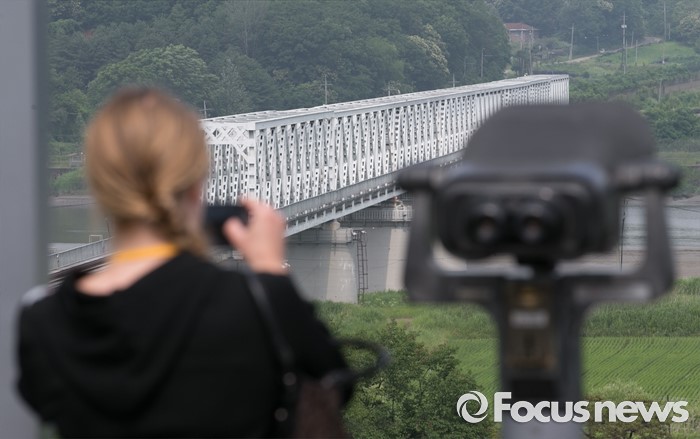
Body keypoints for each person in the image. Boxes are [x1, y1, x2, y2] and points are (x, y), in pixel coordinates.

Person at [16, 88, 349, 437]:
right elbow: (334, 384)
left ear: (101, 188)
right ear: (194, 186)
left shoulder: (44, 324)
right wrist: (271, 273)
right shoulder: (253, 304)